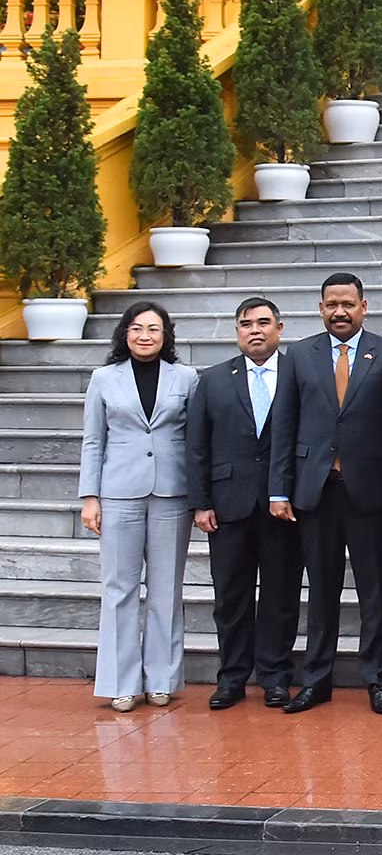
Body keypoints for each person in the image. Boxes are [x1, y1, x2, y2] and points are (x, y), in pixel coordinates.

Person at [270, 272, 382, 715]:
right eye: (331, 304)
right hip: (316, 492)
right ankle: (316, 680)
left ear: (363, 307)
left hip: (370, 492)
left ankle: (377, 679)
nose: (339, 311)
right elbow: (284, 424)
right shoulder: (298, 355)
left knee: (376, 591)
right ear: (320, 308)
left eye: (348, 304)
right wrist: (279, 489)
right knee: (322, 591)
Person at [185, 297, 303, 710]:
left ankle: (275, 675)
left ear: (280, 328)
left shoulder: (298, 373)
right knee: (230, 597)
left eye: (263, 323)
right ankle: (232, 677)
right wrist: (200, 503)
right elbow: (196, 445)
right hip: (228, 505)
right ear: (237, 332)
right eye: (246, 324)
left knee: (280, 595)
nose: (255, 330)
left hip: (282, 505)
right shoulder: (214, 379)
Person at [81, 302, 197, 713]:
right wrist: (90, 497)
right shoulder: (103, 378)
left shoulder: (185, 377)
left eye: (153, 328)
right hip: (118, 493)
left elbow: (196, 438)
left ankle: (162, 679)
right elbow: (94, 440)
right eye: (136, 328)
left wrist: (200, 496)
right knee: (119, 588)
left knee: (166, 587)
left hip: (172, 494)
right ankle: (121, 682)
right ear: (124, 334)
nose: (144, 335)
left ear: (166, 335)